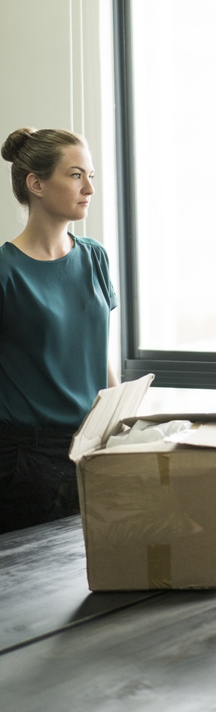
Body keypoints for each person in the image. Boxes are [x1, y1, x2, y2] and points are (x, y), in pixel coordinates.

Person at [0, 127, 118, 534]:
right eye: (74, 175)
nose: (89, 187)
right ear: (36, 184)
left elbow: (100, 352)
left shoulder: (95, 257)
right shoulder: (5, 272)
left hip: (92, 447)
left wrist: (121, 422)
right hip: (25, 463)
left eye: (91, 175)